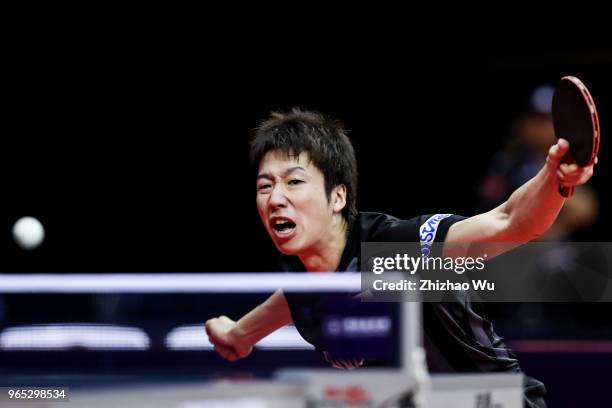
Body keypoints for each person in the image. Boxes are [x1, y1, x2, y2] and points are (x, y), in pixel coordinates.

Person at [205, 108, 596, 407]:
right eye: (264, 186)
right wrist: (239, 334)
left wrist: (555, 179)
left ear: (337, 196)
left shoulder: (396, 248)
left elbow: (510, 222)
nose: (276, 198)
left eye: (293, 182)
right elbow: (296, 299)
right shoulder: (304, 280)